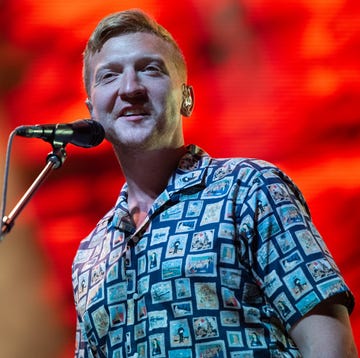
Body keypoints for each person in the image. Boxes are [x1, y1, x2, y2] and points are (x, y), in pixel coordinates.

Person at [72, 8, 358, 358]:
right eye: (109, 76)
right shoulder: (90, 256)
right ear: (92, 112)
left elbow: (331, 346)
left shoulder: (250, 188)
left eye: (150, 69)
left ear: (187, 99)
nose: (130, 87)